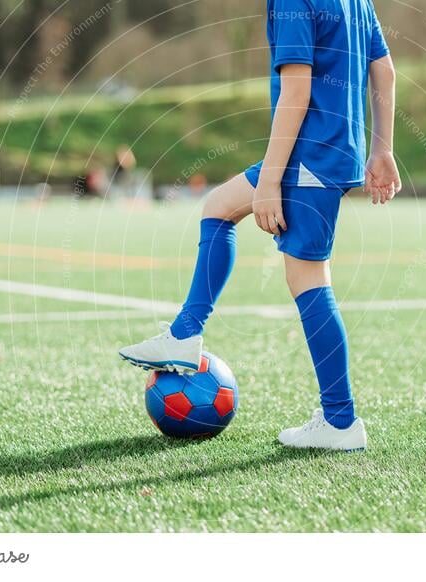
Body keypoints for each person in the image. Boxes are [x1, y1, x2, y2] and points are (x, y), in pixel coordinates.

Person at [119, 0, 400, 451]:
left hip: (309, 157)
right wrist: (382, 147)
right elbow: (383, 68)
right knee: (218, 207)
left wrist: (271, 180)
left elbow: (297, 90)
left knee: (307, 277)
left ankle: (340, 421)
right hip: (327, 152)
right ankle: (185, 334)